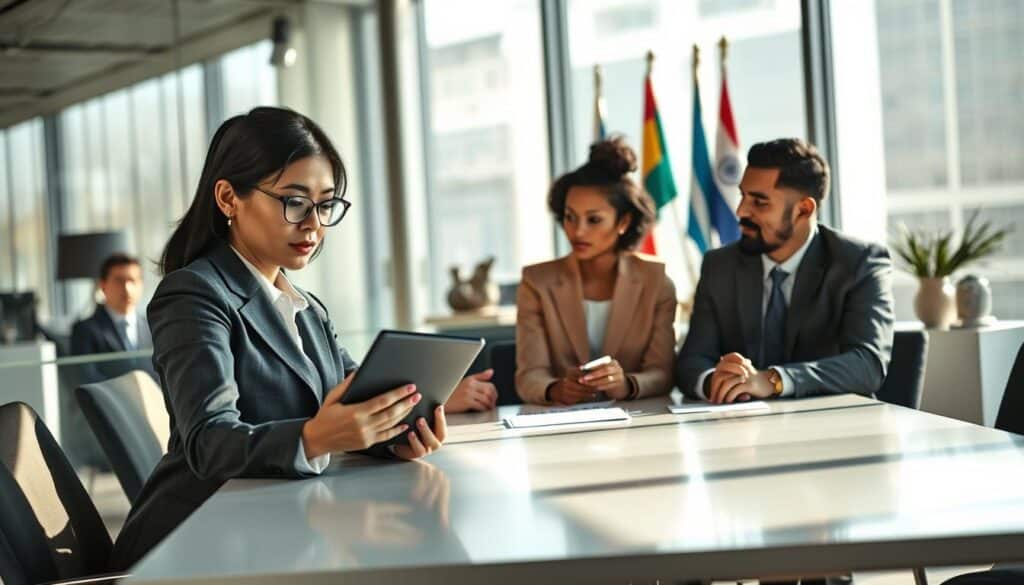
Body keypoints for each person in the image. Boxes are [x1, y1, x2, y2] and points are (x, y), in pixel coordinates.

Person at [110, 107, 483, 568]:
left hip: (277, 528)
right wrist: (310, 439)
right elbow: (210, 442)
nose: (314, 224)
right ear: (228, 198)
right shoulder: (193, 294)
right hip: (195, 542)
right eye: (294, 201)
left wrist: (391, 433)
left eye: (325, 204)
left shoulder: (305, 307)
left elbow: (348, 398)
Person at [676, 138, 895, 405]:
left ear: (804, 209)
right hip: (740, 431)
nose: (741, 211)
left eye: (760, 202)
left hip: (833, 427)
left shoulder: (859, 262)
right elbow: (691, 362)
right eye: (743, 195)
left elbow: (867, 365)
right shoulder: (720, 265)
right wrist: (721, 381)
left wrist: (771, 380)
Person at [516, 136, 677, 405]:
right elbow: (529, 376)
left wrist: (626, 384)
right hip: (560, 424)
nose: (577, 231)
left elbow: (663, 373)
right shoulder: (537, 282)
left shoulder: (656, 282)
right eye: (570, 217)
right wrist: (557, 389)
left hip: (636, 422)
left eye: (594, 220)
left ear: (624, 221)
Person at [70, 253, 157, 382]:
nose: (127, 289)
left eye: (133, 280)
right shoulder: (84, 330)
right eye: (119, 281)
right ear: (103, 285)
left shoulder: (152, 326)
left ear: (141, 285)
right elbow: (86, 379)